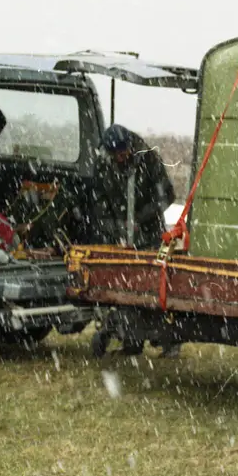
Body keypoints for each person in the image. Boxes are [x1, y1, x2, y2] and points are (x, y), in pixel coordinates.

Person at [97, 124, 181, 357]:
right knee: (127, 293)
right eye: (115, 155)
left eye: (123, 153)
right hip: (122, 239)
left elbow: (167, 195)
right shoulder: (105, 166)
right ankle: (132, 342)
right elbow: (100, 202)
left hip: (150, 236)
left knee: (155, 290)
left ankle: (168, 341)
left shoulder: (149, 159)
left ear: (130, 147)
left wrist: (141, 219)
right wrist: (115, 229)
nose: (120, 158)